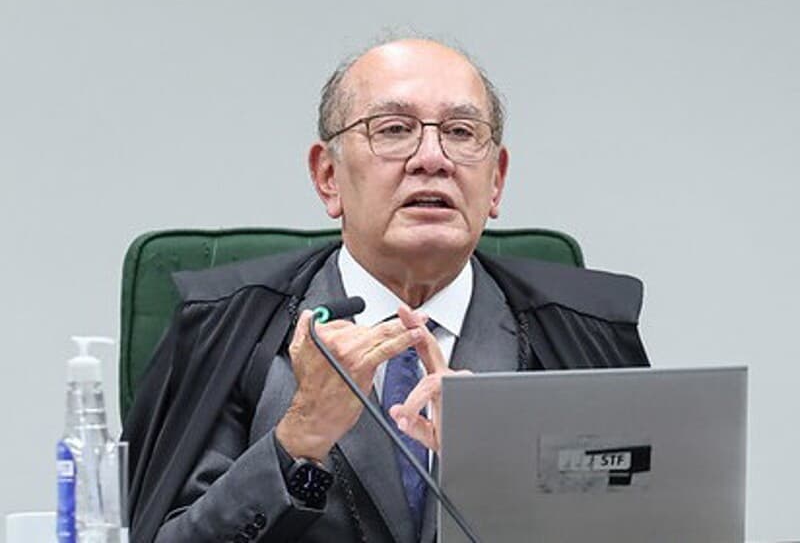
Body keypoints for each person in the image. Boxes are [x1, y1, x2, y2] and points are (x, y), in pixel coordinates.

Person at [123, 38, 649, 543]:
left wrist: (493, 472)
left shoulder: (581, 333)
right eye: (394, 129)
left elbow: (643, 527)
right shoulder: (228, 328)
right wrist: (301, 437)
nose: (433, 158)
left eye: (461, 132)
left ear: (496, 182)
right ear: (328, 177)